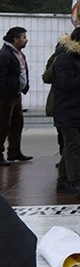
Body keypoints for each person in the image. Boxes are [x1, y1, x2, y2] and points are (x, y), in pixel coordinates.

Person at [53, 27, 80, 198]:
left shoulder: (77, 57)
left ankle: (63, 181)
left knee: (72, 146)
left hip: (75, 109)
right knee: (73, 146)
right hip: (67, 110)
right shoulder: (65, 58)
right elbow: (64, 83)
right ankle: (76, 182)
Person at [0, 26, 32, 166]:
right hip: (6, 97)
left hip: (16, 95)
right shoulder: (5, 55)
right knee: (2, 125)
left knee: (16, 124)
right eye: (23, 37)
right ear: (15, 39)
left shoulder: (18, 53)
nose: (26, 40)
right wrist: (6, 94)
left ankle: (14, 151)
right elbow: (1, 78)